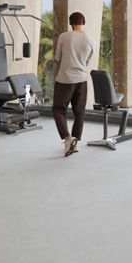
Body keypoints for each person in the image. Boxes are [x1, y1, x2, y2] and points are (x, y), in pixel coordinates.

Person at [52, 11, 95, 156]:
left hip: (65, 79)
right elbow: (87, 61)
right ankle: (75, 141)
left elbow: (57, 58)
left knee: (58, 110)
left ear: (71, 23)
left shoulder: (64, 36)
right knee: (79, 111)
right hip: (82, 80)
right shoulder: (91, 40)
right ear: (83, 23)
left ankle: (67, 138)